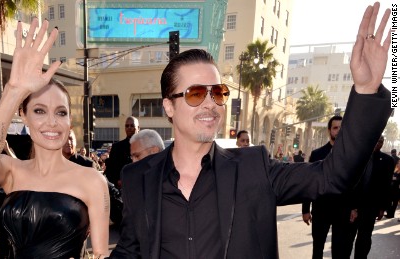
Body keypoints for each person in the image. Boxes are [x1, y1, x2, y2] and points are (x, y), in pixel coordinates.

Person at [109, 3, 393, 258]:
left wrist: (366, 91)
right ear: (168, 107)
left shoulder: (253, 168)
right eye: (196, 94)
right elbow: (129, 250)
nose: (211, 104)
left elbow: (332, 177)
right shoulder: (137, 178)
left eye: (218, 92)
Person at [0, 18, 109, 259]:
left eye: (61, 112)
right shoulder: (12, 171)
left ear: (69, 121)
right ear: (23, 115)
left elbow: (100, 254)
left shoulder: (91, 180)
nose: (52, 122)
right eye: (39, 111)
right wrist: (14, 91)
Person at [301, 116, 352, 259]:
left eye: (341, 128)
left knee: (339, 250)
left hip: (342, 210)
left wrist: (354, 207)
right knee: (317, 248)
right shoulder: (317, 154)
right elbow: (309, 182)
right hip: (321, 209)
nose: (338, 131)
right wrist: (306, 210)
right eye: (335, 128)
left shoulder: (351, 154)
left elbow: (354, 182)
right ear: (329, 131)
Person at [347, 135, 395, 258]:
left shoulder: (387, 161)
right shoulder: (356, 157)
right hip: (351, 207)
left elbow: (386, 187)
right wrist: (352, 206)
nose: (378, 144)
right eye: (376, 140)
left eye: (381, 141)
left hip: (370, 208)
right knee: (347, 240)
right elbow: (349, 183)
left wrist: (382, 208)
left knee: (364, 239)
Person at [104, 116, 139, 188]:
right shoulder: (117, 147)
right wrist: (117, 181)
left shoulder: (145, 146)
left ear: (138, 128)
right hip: (122, 191)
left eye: (132, 125)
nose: (129, 128)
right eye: (127, 126)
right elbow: (110, 171)